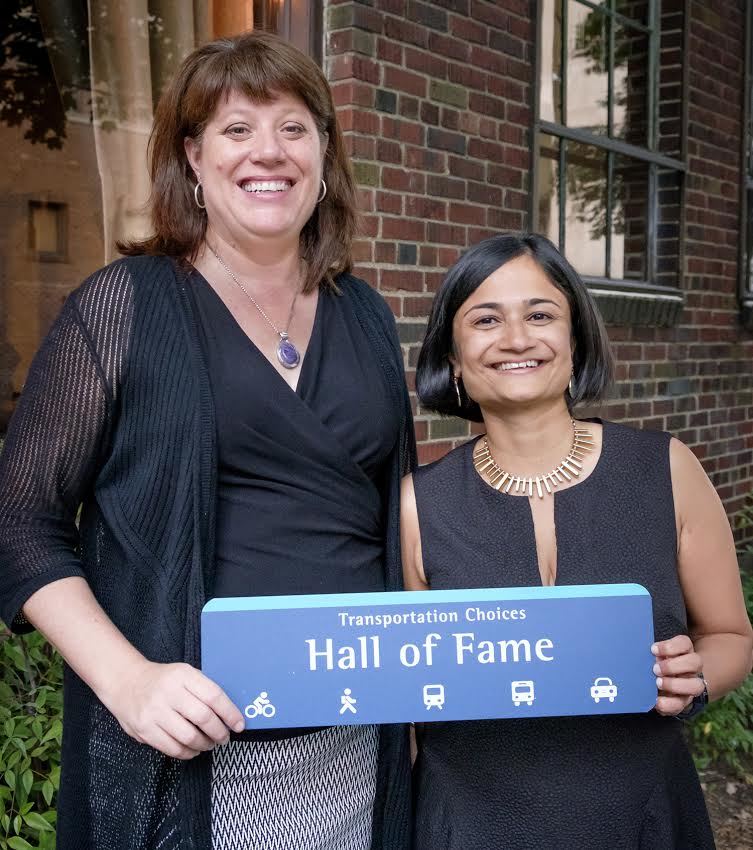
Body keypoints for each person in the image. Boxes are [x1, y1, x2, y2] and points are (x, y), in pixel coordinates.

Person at [0, 31, 415, 850]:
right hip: (191, 757)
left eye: (294, 127)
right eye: (235, 129)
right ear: (191, 158)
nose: (270, 152)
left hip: (351, 741)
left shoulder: (364, 314)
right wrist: (129, 683)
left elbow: (393, 511)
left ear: (324, 154)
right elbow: (20, 524)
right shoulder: (123, 307)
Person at [400, 233, 753, 849]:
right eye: (485, 320)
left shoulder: (664, 469)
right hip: (470, 820)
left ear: (575, 338)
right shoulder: (418, 503)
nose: (516, 338)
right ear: (453, 357)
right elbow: (407, 686)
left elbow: (730, 636)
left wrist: (694, 678)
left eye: (540, 315)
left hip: (640, 809)